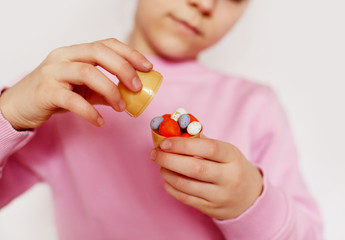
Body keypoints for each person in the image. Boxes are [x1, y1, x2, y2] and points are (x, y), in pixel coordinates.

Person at [0, 0, 323, 239]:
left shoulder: (255, 105)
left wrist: (251, 202)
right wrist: (9, 111)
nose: (206, 4)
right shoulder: (62, 92)